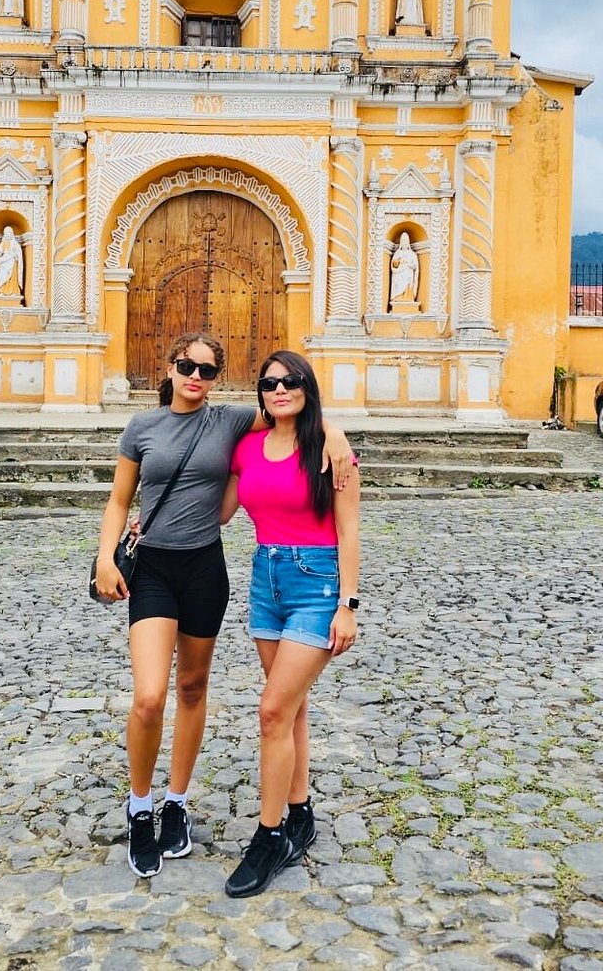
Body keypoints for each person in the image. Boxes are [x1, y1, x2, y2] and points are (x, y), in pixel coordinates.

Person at [94, 332, 353, 880]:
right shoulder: (143, 427)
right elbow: (123, 499)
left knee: (204, 691)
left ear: (218, 378)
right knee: (150, 697)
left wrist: (334, 433)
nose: (196, 376)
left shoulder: (230, 422)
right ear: (169, 366)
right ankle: (140, 808)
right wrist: (105, 557)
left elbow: (294, 415)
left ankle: (183, 805)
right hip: (162, 568)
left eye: (207, 370)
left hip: (215, 572)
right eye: (187, 366)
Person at [220, 349, 360, 898]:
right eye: (269, 382)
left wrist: (348, 605)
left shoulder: (330, 449)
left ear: (308, 387)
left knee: (272, 710)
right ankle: (300, 813)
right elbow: (221, 512)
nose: (279, 389)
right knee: (292, 707)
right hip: (266, 581)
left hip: (316, 584)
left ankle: (270, 835)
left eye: (290, 381)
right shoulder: (247, 447)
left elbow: (349, 531)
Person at [389, 230, 419, 304]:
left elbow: (415, 266)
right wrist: (399, 262)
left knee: (408, 285)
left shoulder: (412, 254)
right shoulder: (397, 253)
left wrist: (409, 264)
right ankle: (398, 297)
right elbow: (393, 265)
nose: (404, 243)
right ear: (401, 243)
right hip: (399, 275)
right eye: (403, 241)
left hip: (408, 274)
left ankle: (408, 298)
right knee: (399, 285)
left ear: (408, 243)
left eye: (406, 241)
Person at [0, 225, 24, 298]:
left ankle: (14, 291)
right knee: (2, 276)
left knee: (12, 276)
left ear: (11, 233)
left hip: (12, 262)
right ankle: (2, 291)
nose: (8, 234)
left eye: (9, 232)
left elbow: (19, 253)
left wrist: (15, 255)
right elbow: (0, 252)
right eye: (6, 232)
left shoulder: (15, 243)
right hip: (4, 262)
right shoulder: (2, 243)